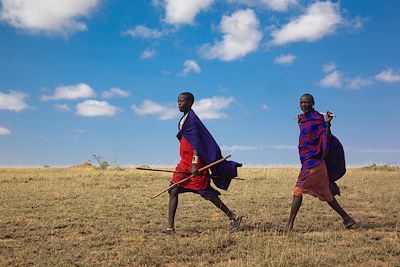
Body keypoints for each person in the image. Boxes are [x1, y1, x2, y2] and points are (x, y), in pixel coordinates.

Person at [162, 92, 242, 234]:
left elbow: (196, 144)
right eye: (178, 101)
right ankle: (170, 227)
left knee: (205, 192)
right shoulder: (184, 119)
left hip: (194, 164)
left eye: (182, 101)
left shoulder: (192, 120)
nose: (179, 104)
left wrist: (194, 164)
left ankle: (233, 216)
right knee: (173, 189)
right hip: (184, 162)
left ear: (190, 102)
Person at [286, 93, 355, 231]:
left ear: (313, 103)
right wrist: (300, 122)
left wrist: (328, 124)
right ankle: (347, 219)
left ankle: (289, 226)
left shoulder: (318, 120)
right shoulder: (303, 119)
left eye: (307, 102)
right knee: (326, 193)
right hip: (315, 164)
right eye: (302, 103)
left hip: (313, 163)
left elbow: (326, 138)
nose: (304, 105)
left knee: (298, 190)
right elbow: (306, 135)